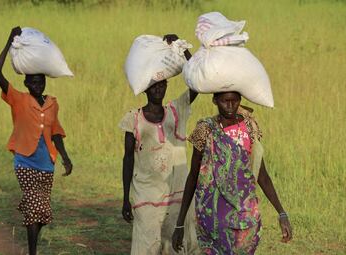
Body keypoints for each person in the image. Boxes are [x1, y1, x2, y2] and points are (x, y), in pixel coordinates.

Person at [172, 91, 293, 254]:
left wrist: (281, 212)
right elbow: (194, 175)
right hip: (213, 217)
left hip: (245, 215)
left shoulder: (249, 128)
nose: (230, 106)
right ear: (215, 100)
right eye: (224, 101)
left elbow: (261, 175)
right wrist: (180, 223)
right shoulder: (205, 130)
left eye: (234, 101)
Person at [0, 26, 73, 255]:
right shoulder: (18, 99)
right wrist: (9, 41)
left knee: (43, 213)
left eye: (41, 81)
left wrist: (65, 157)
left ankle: (32, 245)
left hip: (47, 163)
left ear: (44, 82)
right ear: (26, 83)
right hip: (25, 162)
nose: (38, 85)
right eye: (33, 82)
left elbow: (56, 132)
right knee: (35, 208)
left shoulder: (52, 103)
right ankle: (32, 252)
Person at [119, 34, 200, 254]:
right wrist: (126, 198)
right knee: (147, 246)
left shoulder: (176, 111)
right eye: (153, 86)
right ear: (145, 89)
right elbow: (127, 160)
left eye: (162, 85)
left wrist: (181, 48)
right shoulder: (133, 119)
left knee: (174, 245)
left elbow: (196, 84)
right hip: (146, 195)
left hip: (176, 193)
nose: (158, 90)